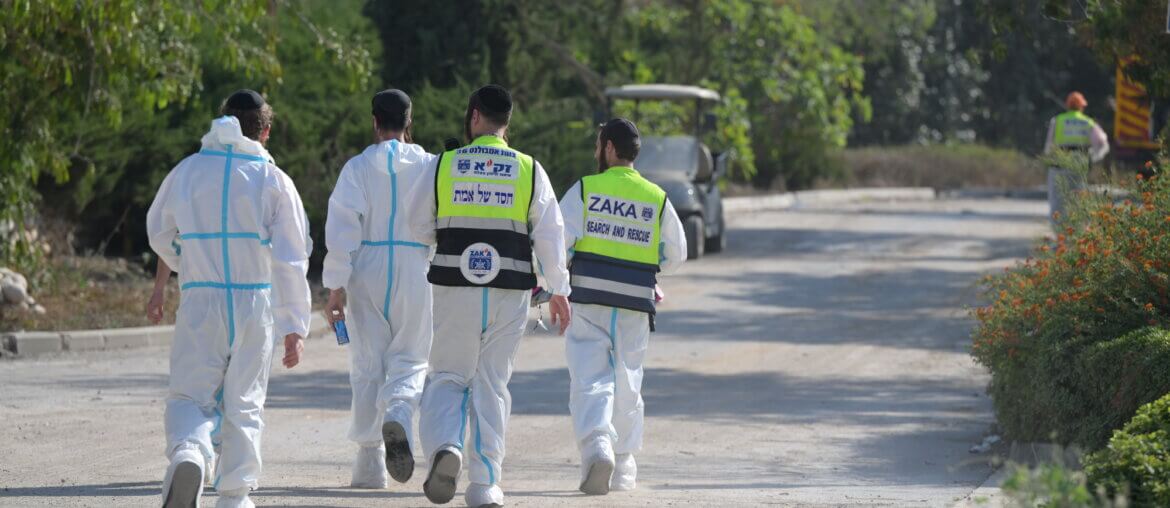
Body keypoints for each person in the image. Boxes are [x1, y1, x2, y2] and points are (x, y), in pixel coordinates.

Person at [147, 89, 313, 508]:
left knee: (190, 394)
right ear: (266, 132)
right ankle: (235, 495)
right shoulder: (273, 179)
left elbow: (158, 231)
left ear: (223, 120)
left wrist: (186, 260)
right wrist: (295, 324)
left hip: (201, 297)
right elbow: (294, 257)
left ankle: (189, 453)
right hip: (255, 302)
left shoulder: (187, 171)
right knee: (245, 401)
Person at [410, 84, 572, 508]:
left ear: (475, 116)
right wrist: (558, 288)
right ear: (507, 122)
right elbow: (551, 235)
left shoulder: (443, 164)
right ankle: (484, 486)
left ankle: (447, 445)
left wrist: (448, 235)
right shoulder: (529, 168)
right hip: (509, 290)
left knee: (448, 375)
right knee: (492, 384)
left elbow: (417, 224)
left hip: (454, 287)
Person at [558, 119, 687, 495]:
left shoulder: (585, 189)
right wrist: (647, 265)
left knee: (590, 378)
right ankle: (625, 466)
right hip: (634, 302)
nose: (596, 151)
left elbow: (558, 240)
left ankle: (597, 447)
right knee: (628, 380)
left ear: (610, 148)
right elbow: (677, 254)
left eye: (599, 144)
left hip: (590, 299)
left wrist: (556, 281)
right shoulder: (655, 197)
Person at [322, 89, 436, 489]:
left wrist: (335, 286)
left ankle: (369, 463)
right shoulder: (430, 165)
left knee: (368, 363)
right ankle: (400, 414)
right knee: (410, 356)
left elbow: (341, 229)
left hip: (365, 267)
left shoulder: (356, 167)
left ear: (374, 121)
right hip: (415, 266)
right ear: (409, 122)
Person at [1043, 91, 1110, 223]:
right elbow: (1102, 142)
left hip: (1059, 168)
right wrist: (1094, 157)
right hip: (1079, 168)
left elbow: (1048, 147)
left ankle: (1060, 237)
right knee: (1078, 202)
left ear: (1068, 106)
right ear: (1082, 107)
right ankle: (1077, 236)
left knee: (1058, 202)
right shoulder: (1088, 122)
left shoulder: (1057, 121)